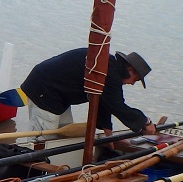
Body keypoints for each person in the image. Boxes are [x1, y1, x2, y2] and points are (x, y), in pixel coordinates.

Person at [20, 48, 158, 136]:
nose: (132, 83)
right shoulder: (109, 72)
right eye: (135, 79)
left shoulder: (109, 69)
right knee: (43, 137)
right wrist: (144, 122)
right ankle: (29, 164)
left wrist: (108, 136)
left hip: (58, 95)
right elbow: (118, 107)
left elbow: (104, 102)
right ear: (130, 70)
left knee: (65, 133)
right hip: (43, 88)